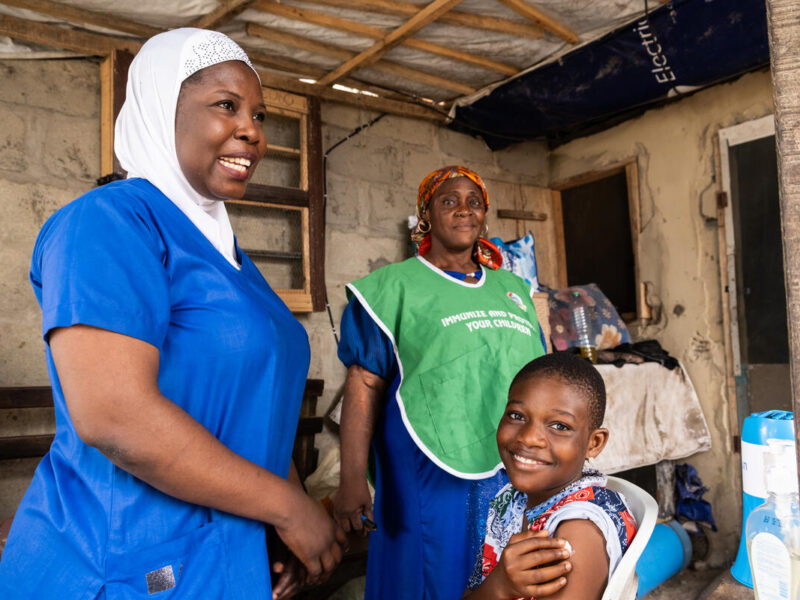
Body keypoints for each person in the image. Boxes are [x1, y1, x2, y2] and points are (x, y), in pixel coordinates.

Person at [0, 28, 344, 600]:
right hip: (122, 562)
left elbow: (252, 403)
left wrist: (279, 516)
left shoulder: (227, 255)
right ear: (163, 108)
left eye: (258, 116)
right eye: (226, 106)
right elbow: (115, 416)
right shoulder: (108, 223)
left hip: (218, 553)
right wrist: (288, 506)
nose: (251, 132)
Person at [334, 165, 546, 599]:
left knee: (503, 573)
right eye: (448, 201)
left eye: (474, 201)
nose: (463, 210)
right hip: (426, 467)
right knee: (431, 572)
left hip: (511, 465)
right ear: (426, 216)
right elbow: (364, 383)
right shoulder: (392, 287)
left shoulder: (513, 289)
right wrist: (352, 478)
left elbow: (542, 376)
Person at [465, 352, 638, 600]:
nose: (528, 437)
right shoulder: (511, 501)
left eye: (559, 426)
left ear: (594, 443)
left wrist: (499, 588)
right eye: (516, 415)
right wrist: (499, 585)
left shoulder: (577, 531)